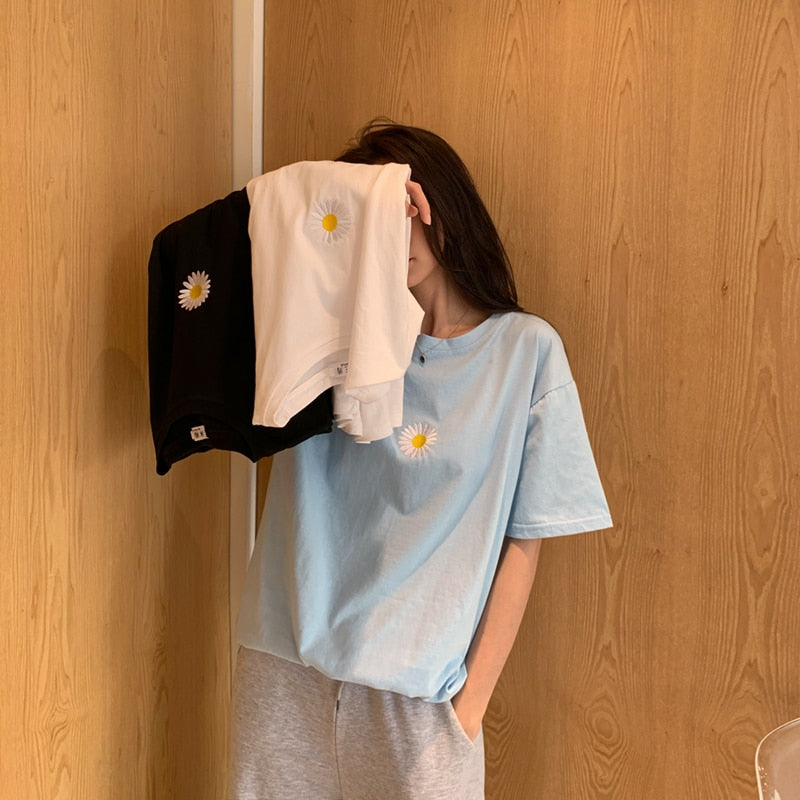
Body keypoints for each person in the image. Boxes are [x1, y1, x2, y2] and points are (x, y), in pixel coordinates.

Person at [228, 121, 612, 800]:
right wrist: (337, 205)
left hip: (420, 698)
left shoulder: (524, 353)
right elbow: (238, 238)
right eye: (364, 219)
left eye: (397, 210)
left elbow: (525, 542)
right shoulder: (316, 337)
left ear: (438, 205)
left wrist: (468, 709)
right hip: (286, 670)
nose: (386, 235)